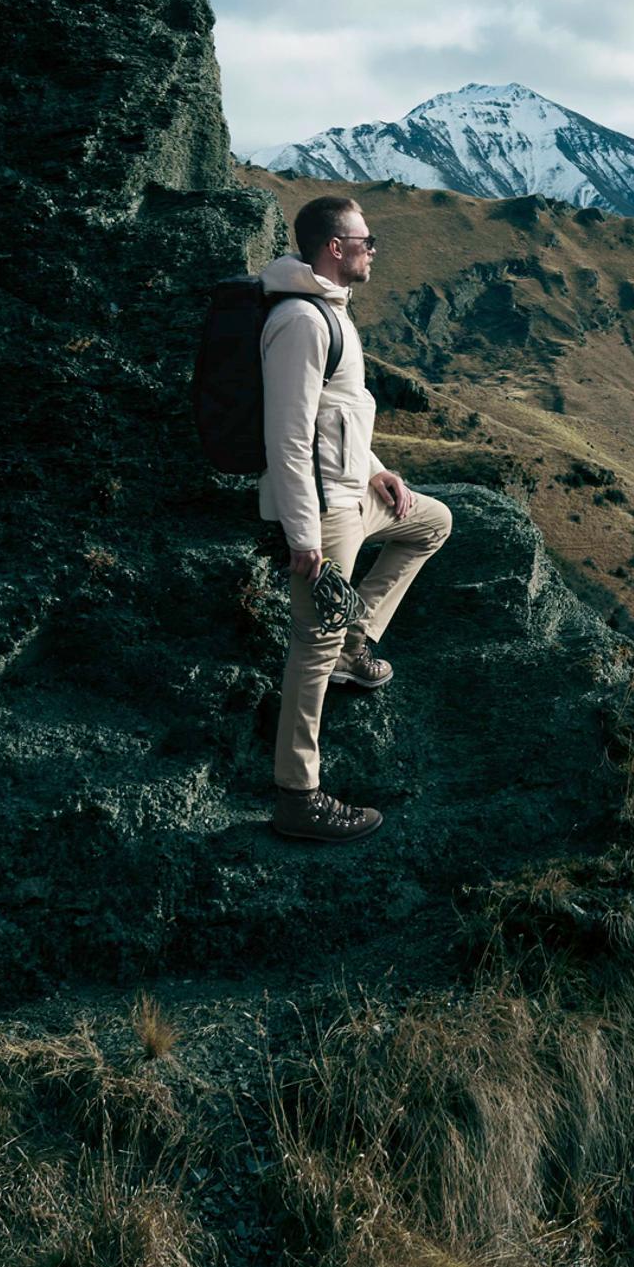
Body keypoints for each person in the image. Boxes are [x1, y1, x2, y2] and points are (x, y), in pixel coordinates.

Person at [260, 195, 452, 843]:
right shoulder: (301, 321)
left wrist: (375, 468)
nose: (374, 250)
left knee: (431, 522)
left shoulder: (333, 311)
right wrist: (304, 535)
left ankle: (355, 639)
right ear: (334, 248)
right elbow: (287, 435)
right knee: (310, 646)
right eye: (365, 241)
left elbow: (336, 411)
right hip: (323, 509)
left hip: (352, 489)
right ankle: (298, 795)